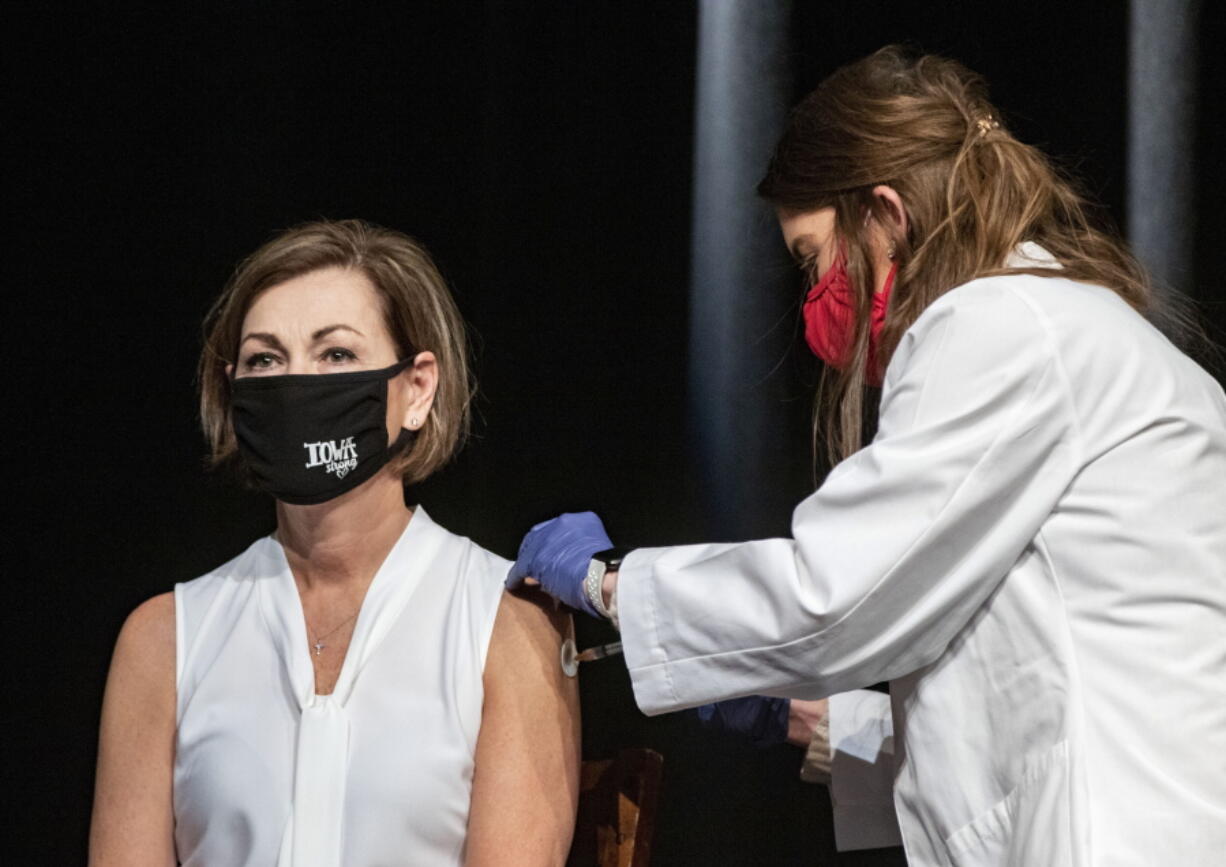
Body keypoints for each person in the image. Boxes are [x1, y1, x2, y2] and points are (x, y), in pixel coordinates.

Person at [508, 46, 1226, 866]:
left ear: (886, 212)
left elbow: (836, 597)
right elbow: (1017, 695)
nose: (814, 298)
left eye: (811, 258)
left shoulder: (998, 326)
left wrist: (612, 584)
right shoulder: (1070, 325)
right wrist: (803, 715)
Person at [90, 219, 581, 866]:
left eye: (336, 355)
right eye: (266, 359)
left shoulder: (508, 621)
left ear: (416, 388)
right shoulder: (162, 640)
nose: (296, 383)